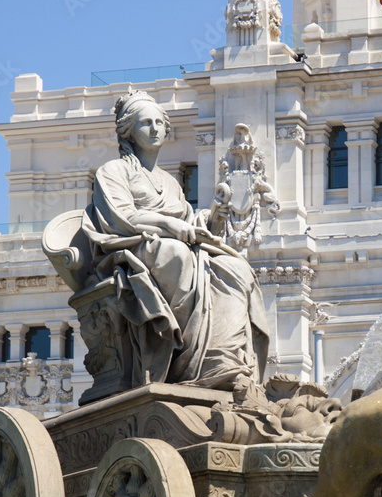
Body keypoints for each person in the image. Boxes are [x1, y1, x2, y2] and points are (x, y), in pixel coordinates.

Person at [82, 90, 269, 389]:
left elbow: (190, 222)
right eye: (146, 123)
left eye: (159, 122)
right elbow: (122, 218)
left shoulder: (170, 182)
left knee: (237, 269)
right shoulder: (113, 172)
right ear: (128, 130)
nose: (155, 128)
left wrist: (216, 216)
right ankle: (188, 364)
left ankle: (224, 358)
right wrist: (173, 227)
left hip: (173, 246)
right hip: (132, 248)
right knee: (179, 257)